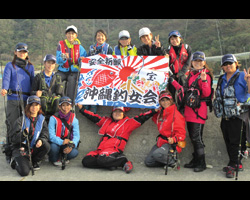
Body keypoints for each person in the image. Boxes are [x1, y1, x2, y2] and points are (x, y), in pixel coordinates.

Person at [77, 104, 156, 173]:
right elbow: (93, 117)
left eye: (120, 112)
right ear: (112, 113)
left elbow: (142, 117)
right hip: (100, 150)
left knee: (102, 160)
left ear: (123, 113)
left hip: (114, 150)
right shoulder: (106, 121)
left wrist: (154, 111)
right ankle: (108, 165)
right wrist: (82, 109)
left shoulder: (128, 123)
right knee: (86, 161)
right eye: (115, 111)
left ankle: (123, 161)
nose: (117, 113)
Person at [169, 51, 213, 172]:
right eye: (195, 61)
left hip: (199, 112)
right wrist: (172, 81)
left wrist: (204, 81)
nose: (198, 63)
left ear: (204, 62)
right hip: (189, 111)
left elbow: (207, 93)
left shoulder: (205, 75)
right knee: (193, 138)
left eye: (200, 61)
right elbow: (185, 91)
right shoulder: (191, 75)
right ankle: (195, 160)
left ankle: (201, 162)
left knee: (197, 138)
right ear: (192, 62)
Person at [213, 54, 250, 178]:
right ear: (222, 67)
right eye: (225, 64)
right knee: (228, 140)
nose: (228, 66)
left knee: (236, 142)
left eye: (230, 63)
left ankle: (233, 164)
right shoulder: (222, 78)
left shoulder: (242, 76)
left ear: (236, 63)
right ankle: (236, 163)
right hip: (225, 115)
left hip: (238, 115)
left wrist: (249, 81)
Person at [1, 43, 35, 163]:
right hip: (13, 99)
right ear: (15, 52)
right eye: (20, 51)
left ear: (27, 53)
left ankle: (25, 149)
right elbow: (6, 79)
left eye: (24, 52)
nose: (22, 53)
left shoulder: (30, 67)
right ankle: (10, 150)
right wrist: (4, 88)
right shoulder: (10, 65)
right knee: (11, 124)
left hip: (26, 100)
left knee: (25, 125)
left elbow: (33, 83)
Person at [9, 95, 50, 176]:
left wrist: (41, 140)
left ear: (39, 107)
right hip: (21, 148)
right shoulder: (21, 120)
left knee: (46, 145)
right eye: (31, 105)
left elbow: (45, 133)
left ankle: (34, 162)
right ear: (28, 106)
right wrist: (23, 134)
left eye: (36, 105)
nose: (34, 107)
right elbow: (13, 138)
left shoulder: (42, 120)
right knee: (24, 172)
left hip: (33, 148)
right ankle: (15, 160)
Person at [145, 90, 186, 169]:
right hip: (161, 142)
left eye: (167, 99)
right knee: (148, 162)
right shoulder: (161, 113)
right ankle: (166, 162)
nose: (165, 102)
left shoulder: (176, 115)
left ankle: (173, 162)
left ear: (171, 101)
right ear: (160, 102)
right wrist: (154, 111)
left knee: (157, 154)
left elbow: (182, 134)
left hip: (170, 144)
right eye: (163, 100)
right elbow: (154, 119)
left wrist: (174, 139)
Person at [56, 25, 87, 102]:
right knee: (56, 78)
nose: (70, 35)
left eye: (73, 33)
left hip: (74, 71)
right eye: (69, 33)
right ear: (66, 34)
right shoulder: (60, 45)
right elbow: (58, 60)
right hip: (62, 70)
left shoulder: (80, 48)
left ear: (76, 35)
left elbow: (85, 60)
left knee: (72, 80)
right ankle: (56, 100)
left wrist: (81, 60)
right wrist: (63, 58)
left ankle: (70, 102)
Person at [31, 54, 64, 123]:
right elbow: (31, 92)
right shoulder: (38, 77)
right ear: (44, 63)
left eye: (53, 63)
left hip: (55, 112)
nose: (50, 65)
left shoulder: (58, 78)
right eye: (48, 63)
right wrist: (35, 93)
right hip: (41, 111)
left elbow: (62, 94)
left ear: (55, 65)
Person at [87, 29, 113, 113]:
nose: (100, 37)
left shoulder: (109, 48)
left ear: (105, 38)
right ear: (95, 37)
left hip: (104, 73)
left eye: (102, 35)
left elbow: (113, 60)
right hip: (93, 72)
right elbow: (87, 59)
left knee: (97, 88)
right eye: (98, 35)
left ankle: (94, 106)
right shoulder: (91, 48)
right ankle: (86, 104)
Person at [48, 96, 80, 166]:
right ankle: (54, 159)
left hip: (67, 142)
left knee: (74, 152)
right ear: (59, 107)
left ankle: (64, 157)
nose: (65, 108)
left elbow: (76, 136)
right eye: (63, 105)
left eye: (68, 105)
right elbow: (51, 136)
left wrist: (71, 145)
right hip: (56, 142)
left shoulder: (74, 119)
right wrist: (62, 141)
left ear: (71, 106)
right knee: (53, 148)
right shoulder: (53, 118)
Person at [167, 30, 192, 103]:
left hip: (184, 75)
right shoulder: (168, 51)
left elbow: (189, 61)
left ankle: (184, 107)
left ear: (180, 38)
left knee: (185, 92)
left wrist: (182, 73)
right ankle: (174, 107)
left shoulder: (187, 48)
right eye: (172, 39)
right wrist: (171, 75)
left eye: (176, 38)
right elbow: (166, 64)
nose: (174, 40)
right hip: (173, 76)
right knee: (172, 94)